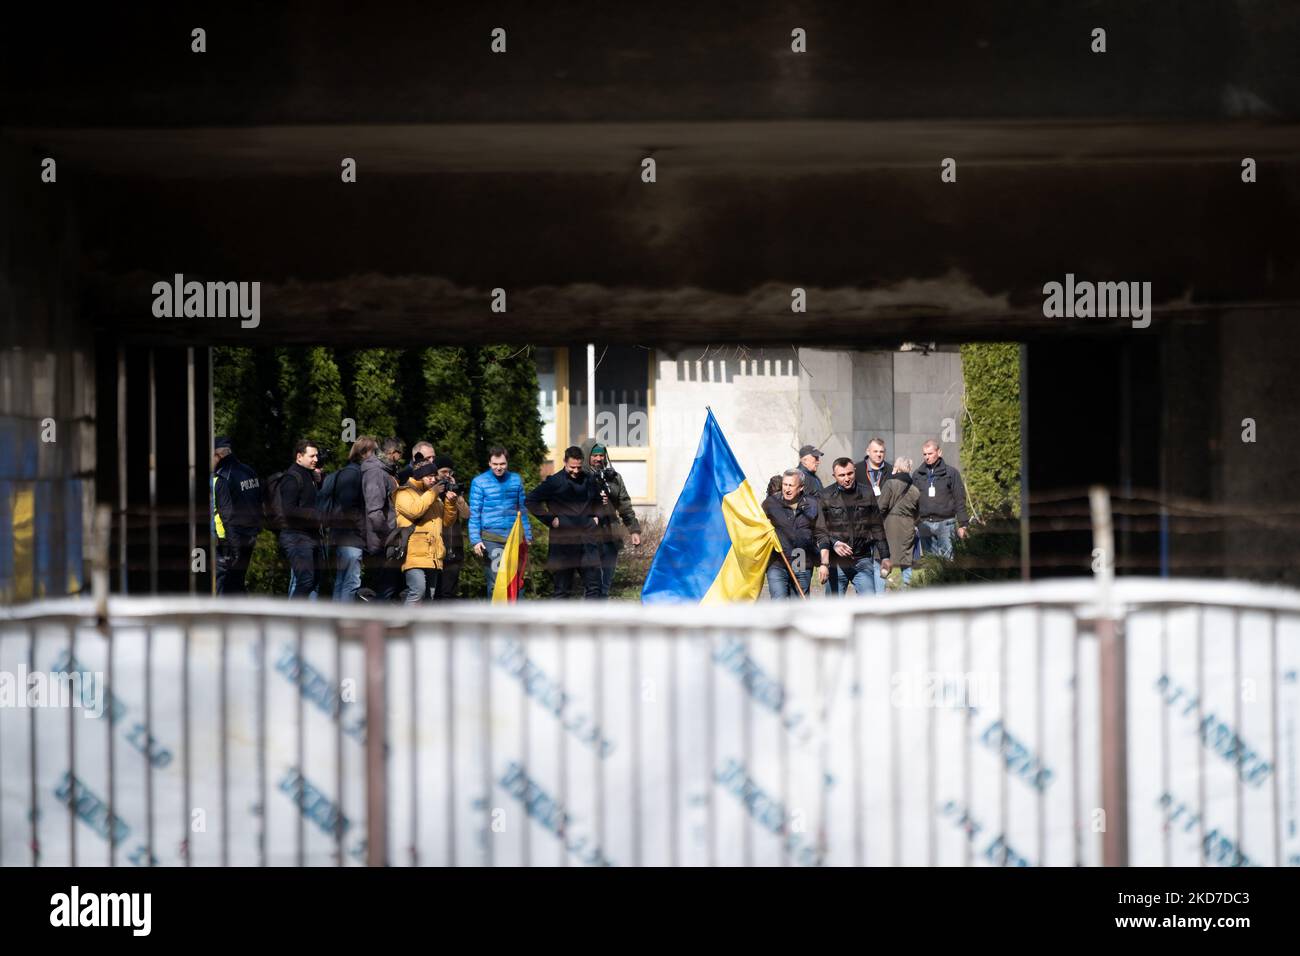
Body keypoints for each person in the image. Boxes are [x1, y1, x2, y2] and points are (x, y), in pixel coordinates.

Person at [526, 446, 607, 599]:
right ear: (564, 462)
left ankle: (592, 622)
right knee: (561, 591)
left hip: (587, 542)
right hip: (563, 544)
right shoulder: (554, 482)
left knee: (594, 587)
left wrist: (597, 517)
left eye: (578, 467)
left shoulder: (589, 479)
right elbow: (531, 500)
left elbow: (598, 501)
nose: (576, 471)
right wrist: (551, 520)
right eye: (572, 467)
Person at [814, 457, 891, 596]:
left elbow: (877, 527)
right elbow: (821, 530)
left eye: (849, 473)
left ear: (855, 471)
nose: (847, 478)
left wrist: (885, 556)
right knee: (834, 609)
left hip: (862, 559)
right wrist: (833, 546)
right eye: (841, 475)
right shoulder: (825, 496)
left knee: (869, 604)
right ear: (834, 476)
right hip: (836, 562)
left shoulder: (867, 493)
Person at [469, 445, 531, 597]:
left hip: (514, 538)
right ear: (489, 463)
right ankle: (497, 618)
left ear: (507, 463)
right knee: (496, 582)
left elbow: (522, 510)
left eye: (502, 464)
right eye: (495, 464)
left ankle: (518, 617)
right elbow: (474, 513)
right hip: (491, 539)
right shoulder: (479, 482)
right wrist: (475, 539)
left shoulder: (516, 480)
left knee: (517, 580)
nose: (498, 468)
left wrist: (528, 535)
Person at [582, 439, 642, 598]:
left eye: (602, 455)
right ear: (587, 456)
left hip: (611, 537)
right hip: (589, 537)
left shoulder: (614, 477)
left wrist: (634, 529)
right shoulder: (579, 476)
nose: (599, 459)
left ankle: (602, 620)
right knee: (592, 586)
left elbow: (624, 504)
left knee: (605, 586)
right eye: (594, 456)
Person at [394, 457, 457, 604]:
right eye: (429, 476)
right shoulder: (403, 492)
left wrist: (451, 504)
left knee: (429, 597)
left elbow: (447, 522)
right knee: (417, 590)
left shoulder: (433, 496)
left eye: (434, 476)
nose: (433, 479)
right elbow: (415, 511)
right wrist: (433, 493)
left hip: (433, 554)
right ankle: (405, 625)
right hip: (413, 553)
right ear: (419, 476)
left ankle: (421, 626)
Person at [210, 437, 263, 594]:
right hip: (250, 536)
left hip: (231, 541)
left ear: (218, 455)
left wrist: (233, 548)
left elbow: (227, 516)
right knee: (238, 583)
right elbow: (258, 504)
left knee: (226, 586)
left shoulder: (223, 477)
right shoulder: (249, 471)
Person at [322, 436, 372, 601]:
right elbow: (349, 507)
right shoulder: (354, 474)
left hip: (341, 537)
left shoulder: (346, 472)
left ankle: (336, 621)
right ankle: (345, 623)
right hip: (351, 538)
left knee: (341, 582)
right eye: (374, 452)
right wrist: (365, 531)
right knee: (351, 583)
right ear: (364, 452)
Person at [762, 469, 819, 599]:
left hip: (801, 560)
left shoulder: (812, 504)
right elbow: (759, 529)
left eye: (791, 485)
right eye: (784, 484)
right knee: (779, 601)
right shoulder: (770, 504)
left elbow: (820, 532)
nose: (787, 489)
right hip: (777, 561)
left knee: (798, 605)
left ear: (801, 487)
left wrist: (823, 562)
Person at [278, 439, 322, 598]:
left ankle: (308, 619)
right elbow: (288, 510)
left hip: (309, 536)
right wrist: (314, 514)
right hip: (296, 536)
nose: (316, 460)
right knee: (305, 580)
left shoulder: (309, 475)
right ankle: (291, 621)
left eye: (316, 456)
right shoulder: (292, 478)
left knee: (314, 581)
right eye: (312, 456)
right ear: (299, 457)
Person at [361, 436, 403, 600]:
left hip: (387, 540)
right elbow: (374, 511)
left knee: (390, 588)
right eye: (399, 454)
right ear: (393, 453)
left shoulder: (385, 471)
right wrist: (389, 536)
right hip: (382, 543)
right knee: (386, 589)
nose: (400, 459)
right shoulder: (376, 473)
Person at [913, 440, 969, 560]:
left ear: (939, 452)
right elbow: (912, 501)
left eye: (930, 453)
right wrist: (914, 522)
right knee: (931, 563)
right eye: (925, 454)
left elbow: (959, 499)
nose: (927, 457)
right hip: (924, 524)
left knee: (948, 562)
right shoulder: (917, 475)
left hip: (946, 524)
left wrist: (963, 524)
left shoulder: (951, 473)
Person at [878, 456, 921, 588]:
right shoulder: (915, 490)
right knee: (906, 561)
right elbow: (918, 514)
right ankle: (906, 591)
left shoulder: (890, 484)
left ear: (896, 468)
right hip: (908, 528)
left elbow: (881, 507)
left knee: (882, 558)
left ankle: (880, 593)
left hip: (888, 527)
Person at [432, 455, 469, 599]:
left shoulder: (453, 490)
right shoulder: (431, 491)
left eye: (450, 473)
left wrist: (457, 495)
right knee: (436, 591)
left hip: (454, 547)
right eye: (444, 472)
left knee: (450, 591)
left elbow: (466, 514)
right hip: (436, 547)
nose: (447, 476)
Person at [861, 438, 889, 502]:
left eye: (881, 451)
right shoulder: (857, 470)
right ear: (868, 452)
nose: (878, 454)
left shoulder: (891, 471)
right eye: (875, 451)